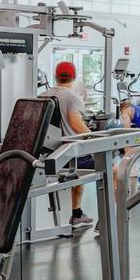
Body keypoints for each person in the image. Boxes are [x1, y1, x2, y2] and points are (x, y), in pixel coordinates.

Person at [46, 59, 93, 229]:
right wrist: (93, 137)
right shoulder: (73, 98)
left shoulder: (43, 95)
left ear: (55, 76)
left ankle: (77, 215)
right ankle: (110, 219)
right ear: (73, 77)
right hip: (69, 155)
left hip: (49, 153)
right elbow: (76, 124)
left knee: (79, 175)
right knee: (115, 171)